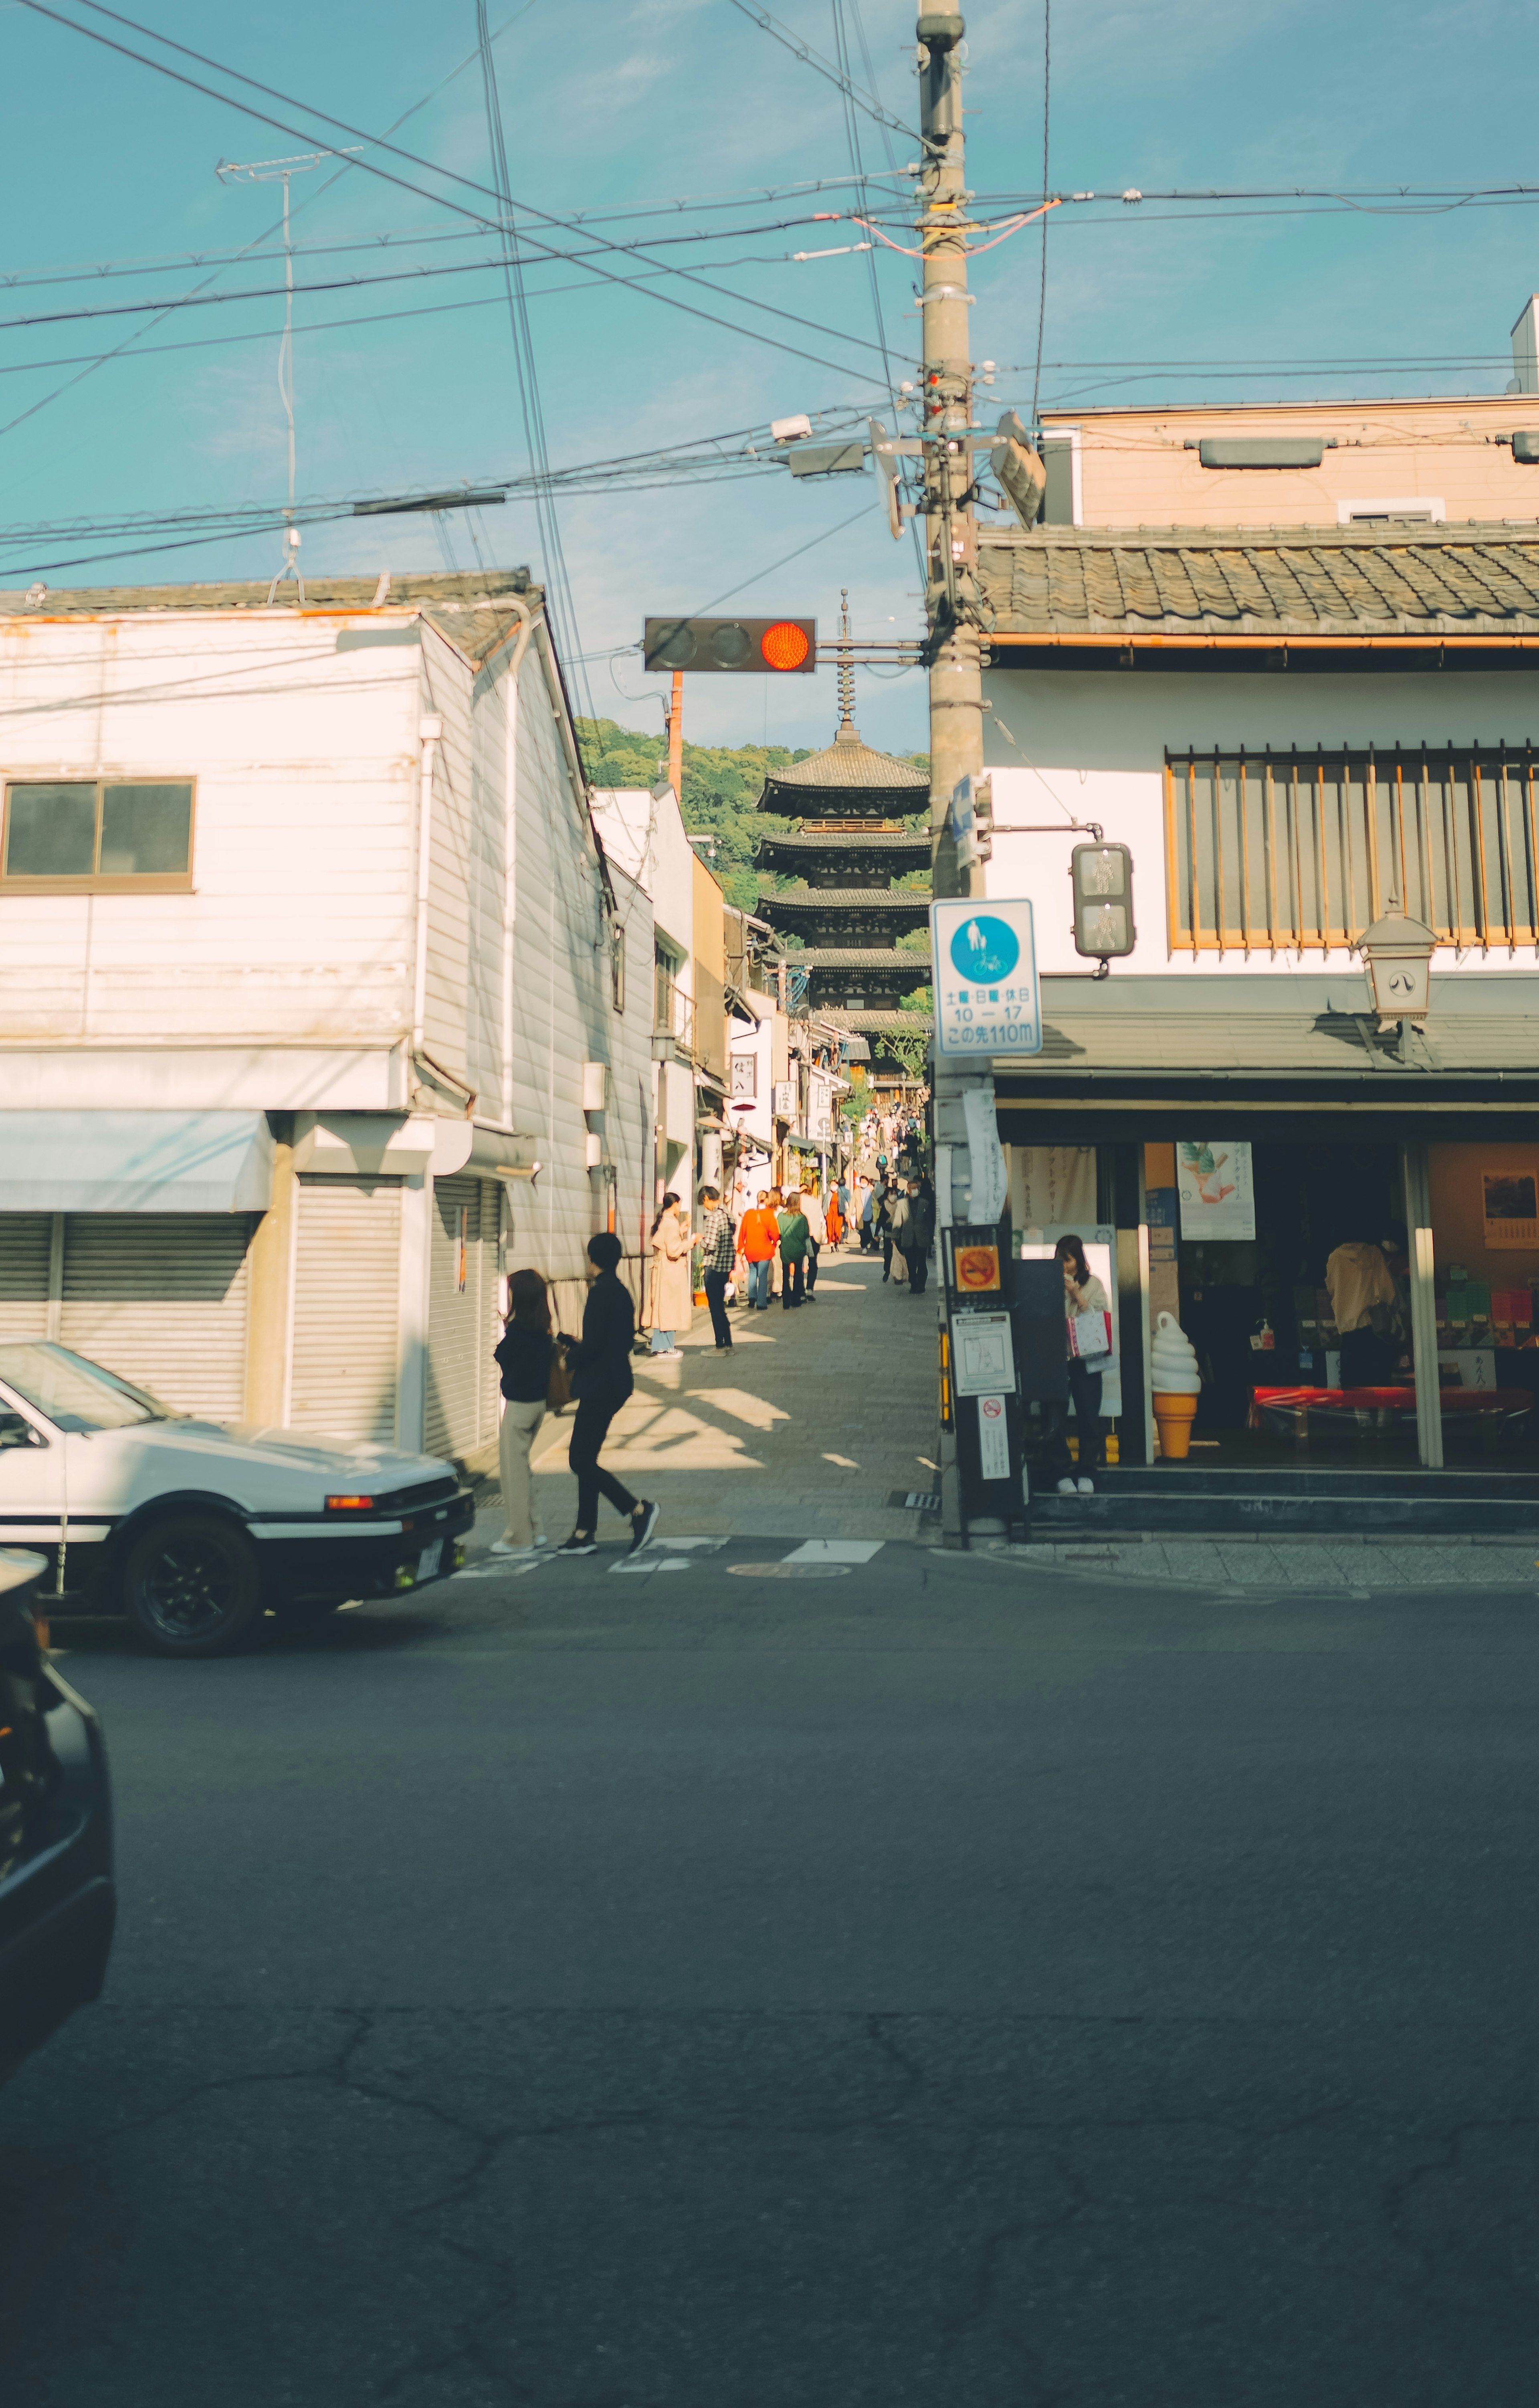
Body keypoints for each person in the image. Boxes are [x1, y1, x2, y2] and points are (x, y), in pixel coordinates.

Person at [555, 1232, 659, 1556]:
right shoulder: (622, 1292)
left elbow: (597, 1343)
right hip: (615, 1382)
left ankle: (637, 1510)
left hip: (601, 1385)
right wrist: (580, 1346)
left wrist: (569, 1357)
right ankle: (585, 1531)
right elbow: (618, 1341)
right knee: (587, 1459)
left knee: (579, 1459)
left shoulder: (601, 1292)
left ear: (592, 1258)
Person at [490, 1267, 555, 1557]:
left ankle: (520, 1537)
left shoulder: (518, 1330)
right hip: (539, 1404)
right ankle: (536, 1528)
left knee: (512, 1474)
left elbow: (503, 1357)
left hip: (518, 1408)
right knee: (522, 1470)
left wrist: (506, 1328)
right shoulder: (542, 1328)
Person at [1046, 1234, 1110, 1497]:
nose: (1063, 1265)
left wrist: (1076, 1294)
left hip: (1086, 1360)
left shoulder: (1093, 1284)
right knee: (1054, 1417)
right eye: (1059, 1258)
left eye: (1068, 1259)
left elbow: (1098, 1320)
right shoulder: (1049, 1283)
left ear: (1079, 1261)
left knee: (1089, 1416)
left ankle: (1086, 1471)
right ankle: (1061, 1472)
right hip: (1056, 1358)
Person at [644, 1192, 692, 1358]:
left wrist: (681, 1230)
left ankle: (661, 1347)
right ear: (675, 1204)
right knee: (669, 1309)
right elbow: (673, 1250)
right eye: (679, 1204)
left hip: (662, 1270)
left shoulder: (665, 1221)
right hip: (669, 1272)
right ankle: (666, 1347)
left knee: (662, 1309)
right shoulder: (670, 1223)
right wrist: (690, 1242)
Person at [696, 1183, 736, 1351]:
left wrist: (700, 1240)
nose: (704, 1207)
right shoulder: (727, 1214)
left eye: (703, 1203)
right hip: (726, 1266)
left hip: (714, 1266)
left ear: (707, 1199)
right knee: (720, 1305)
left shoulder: (713, 1218)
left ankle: (720, 1341)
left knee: (715, 1307)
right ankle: (727, 1340)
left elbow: (711, 1245)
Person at [738, 1187, 780, 1309]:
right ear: (767, 1200)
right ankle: (762, 1303)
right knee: (762, 1276)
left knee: (752, 1273)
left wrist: (741, 1247)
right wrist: (775, 1242)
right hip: (764, 1250)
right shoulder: (769, 1213)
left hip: (750, 1250)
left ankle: (752, 1298)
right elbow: (775, 1233)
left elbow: (742, 1232)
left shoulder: (749, 1213)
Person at [897, 1177, 935, 1294]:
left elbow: (930, 1222)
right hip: (908, 1239)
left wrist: (931, 1237)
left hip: (922, 1239)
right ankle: (914, 1283)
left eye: (917, 1188)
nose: (916, 1191)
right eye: (913, 1189)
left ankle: (921, 1285)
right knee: (911, 1265)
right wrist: (895, 1238)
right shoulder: (902, 1204)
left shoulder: (925, 1203)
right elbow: (898, 1222)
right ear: (908, 1191)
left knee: (922, 1264)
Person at [778, 1189, 810, 1309]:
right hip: (798, 1249)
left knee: (785, 1275)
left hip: (786, 1249)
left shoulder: (781, 1217)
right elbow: (806, 1234)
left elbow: (779, 1232)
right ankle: (796, 1299)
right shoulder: (802, 1218)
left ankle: (786, 1300)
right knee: (798, 1274)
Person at [801, 1183, 826, 1298]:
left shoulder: (797, 1202)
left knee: (798, 1263)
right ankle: (810, 1289)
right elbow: (822, 1221)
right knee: (813, 1263)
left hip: (800, 1236)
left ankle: (800, 1290)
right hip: (814, 1237)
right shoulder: (816, 1202)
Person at [824, 1185, 844, 1251]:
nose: (833, 1187)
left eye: (835, 1185)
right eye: (832, 1185)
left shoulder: (840, 1195)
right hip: (830, 1214)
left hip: (838, 1214)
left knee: (837, 1230)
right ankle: (832, 1245)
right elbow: (824, 1204)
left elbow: (843, 1204)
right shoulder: (827, 1195)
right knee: (830, 1229)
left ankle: (837, 1242)